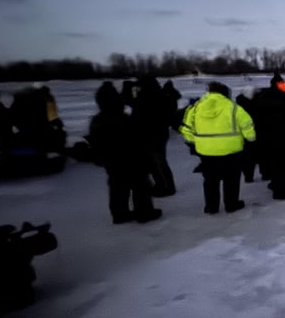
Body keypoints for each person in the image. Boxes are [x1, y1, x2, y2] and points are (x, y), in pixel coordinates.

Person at [88, 82, 161, 224]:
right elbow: (138, 141)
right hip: (131, 160)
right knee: (140, 185)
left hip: (111, 162)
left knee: (117, 186)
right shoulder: (124, 119)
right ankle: (144, 213)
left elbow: (95, 144)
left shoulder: (97, 121)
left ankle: (120, 214)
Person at [179, 82, 256, 214]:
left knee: (210, 180)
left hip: (206, 152)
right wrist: (251, 139)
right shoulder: (233, 107)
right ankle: (231, 204)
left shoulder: (195, 108)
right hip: (231, 151)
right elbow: (247, 125)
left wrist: (197, 142)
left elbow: (186, 129)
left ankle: (211, 207)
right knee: (231, 179)